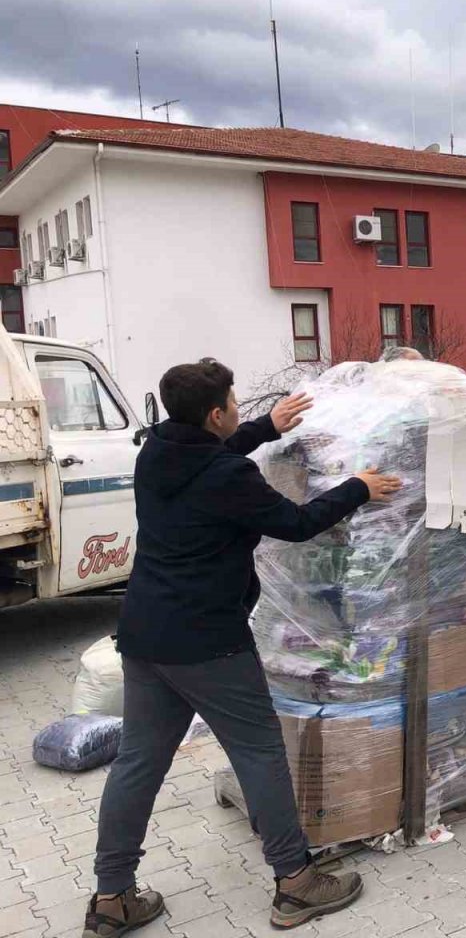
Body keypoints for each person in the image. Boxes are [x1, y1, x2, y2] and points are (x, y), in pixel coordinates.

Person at [85, 361, 401, 937]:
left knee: (137, 763)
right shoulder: (227, 477)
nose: (236, 409)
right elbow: (298, 523)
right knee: (259, 754)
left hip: (146, 636)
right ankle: (296, 883)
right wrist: (360, 487)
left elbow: (210, 455)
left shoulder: (155, 452)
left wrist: (265, 425)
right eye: (232, 403)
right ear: (214, 414)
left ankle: (111, 896)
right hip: (208, 642)